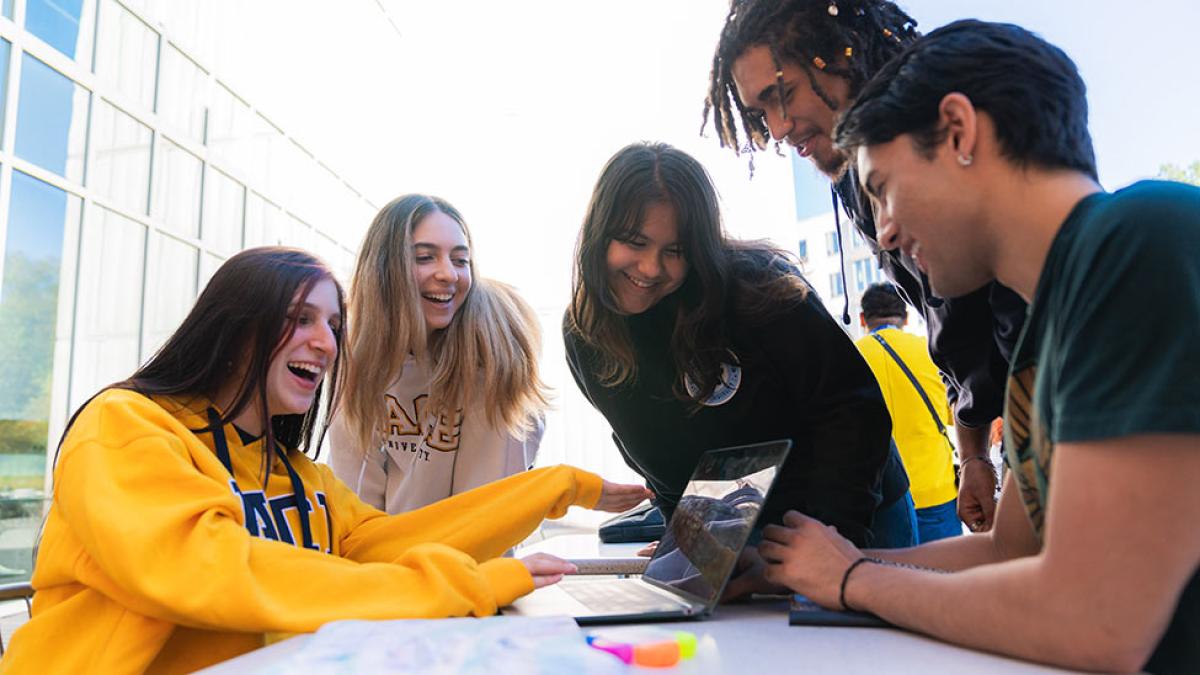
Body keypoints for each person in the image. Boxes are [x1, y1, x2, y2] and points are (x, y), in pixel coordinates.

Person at [758, 21, 1199, 673]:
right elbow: (1009, 552)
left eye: (882, 188)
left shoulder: (1138, 238)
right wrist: (807, 570)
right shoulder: (1038, 340)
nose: (882, 235)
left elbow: (1098, 618)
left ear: (959, 131)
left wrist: (852, 579)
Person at [1, 247, 650, 673]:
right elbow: (220, 568)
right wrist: (470, 584)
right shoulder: (124, 428)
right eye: (300, 317)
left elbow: (389, 543)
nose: (328, 340)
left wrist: (559, 487)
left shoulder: (299, 476)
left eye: (334, 324)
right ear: (234, 325)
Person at [705, 0, 1022, 532]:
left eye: (781, 95)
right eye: (760, 114)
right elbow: (944, 317)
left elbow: (1014, 304)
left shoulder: (942, 119)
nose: (778, 129)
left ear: (837, 56)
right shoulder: (854, 181)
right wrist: (973, 456)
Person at [564, 141, 915, 558]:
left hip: (855, 508)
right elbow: (658, 461)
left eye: (674, 251)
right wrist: (689, 541)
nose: (651, 268)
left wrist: (834, 541)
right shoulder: (584, 335)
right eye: (634, 242)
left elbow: (851, 410)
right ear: (600, 234)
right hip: (742, 530)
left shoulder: (759, 289)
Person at [330, 195, 550, 513]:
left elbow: (485, 514)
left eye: (461, 260)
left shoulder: (491, 354)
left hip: (474, 558)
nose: (448, 274)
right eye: (424, 257)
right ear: (383, 268)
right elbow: (356, 508)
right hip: (385, 556)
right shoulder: (353, 359)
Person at [855, 283, 960, 543]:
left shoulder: (851, 357)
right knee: (947, 577)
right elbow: (955, 414)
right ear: (906, 316)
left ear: (862, 318)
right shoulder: (930, 351)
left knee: (894, 577)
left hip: (882, 496)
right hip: (937, 489)